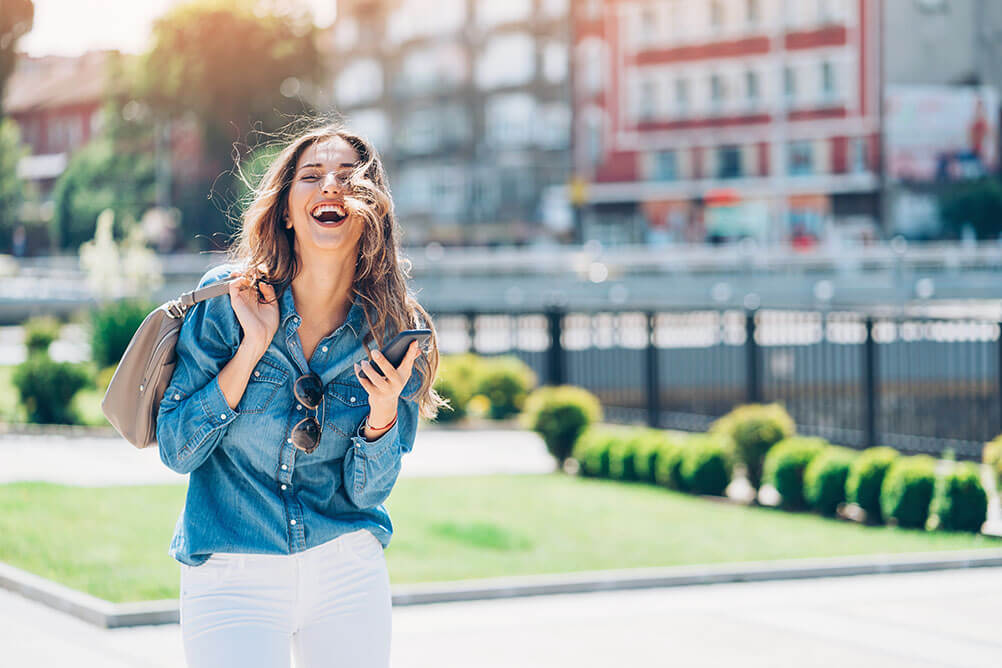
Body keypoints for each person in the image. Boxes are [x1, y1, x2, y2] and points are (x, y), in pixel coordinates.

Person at [156, 120, 446, 667]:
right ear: (286, 210)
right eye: (312, 176)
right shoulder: (229, 300)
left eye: (348, 177)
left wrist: (383, 416)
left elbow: (367, 495)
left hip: (345, 568)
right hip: (231, 572)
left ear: (372, 210)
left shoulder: (392, 331)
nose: (331, 186)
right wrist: (251, 350)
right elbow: (176, 448)